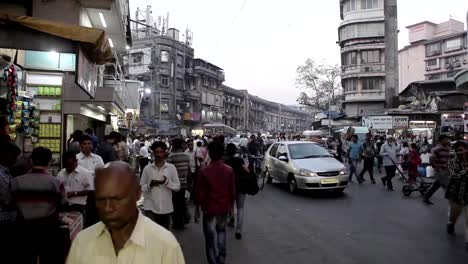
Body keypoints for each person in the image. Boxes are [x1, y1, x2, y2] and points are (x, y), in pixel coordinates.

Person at [66, 162, 185, 263]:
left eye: (117, 199)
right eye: (101, 199)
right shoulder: (82, 242)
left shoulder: (165, 245)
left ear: (137, 194)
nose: (108, 208)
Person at [11, 147, 67, 264]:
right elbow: (63, 203)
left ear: (31, 161)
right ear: (50, 161)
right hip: (48, 229)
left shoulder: (16, 182)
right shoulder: (56, 183)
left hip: (22, 230)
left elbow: (9, 202)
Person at [196, 141, 236, 264]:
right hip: (223, 207)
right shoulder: (229, 170)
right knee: (221, 231)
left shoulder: (204, 171)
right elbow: (232, 192)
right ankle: (221, 258)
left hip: (209, 208)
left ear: (210, 153)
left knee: (209, 237)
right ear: (221, 154)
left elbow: (200, 193)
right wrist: (231, 209)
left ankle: (213, 261)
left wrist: (197, 209)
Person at [140, 141, 180, 229]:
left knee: (164, 237)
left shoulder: (171, 168)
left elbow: (177, 187)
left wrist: (166, 182)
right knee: (152, 236)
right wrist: (150, 185)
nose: (159, 155)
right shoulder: (147, 169)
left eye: (161, 152)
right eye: (157, 152)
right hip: (150, 207)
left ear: (165, 152)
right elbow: (141, 187)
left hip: (166, 207)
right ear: (153, 153)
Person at [225, 143, 251, 240]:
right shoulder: (240, 160)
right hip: (241, 186)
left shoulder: (226, 162)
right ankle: (238, 230)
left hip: (230, 187)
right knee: (240, 208)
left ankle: (231, 217)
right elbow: (247, 171)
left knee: (231, 205)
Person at [445, 141, 468, 251]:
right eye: (459, 150)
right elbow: (453, 175)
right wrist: (465, 171)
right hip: (456, 193)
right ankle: (451, 223)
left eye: (463, 149)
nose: (461, 152)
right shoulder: (452, 162)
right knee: (454, 215)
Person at [0, 141, 20, 263]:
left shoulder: (7, 173)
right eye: (14, 157)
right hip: (3, 220)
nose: (15, 160)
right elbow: (8, 199)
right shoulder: (1, 175)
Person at [167, 138, 192, 229]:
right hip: (184, 183)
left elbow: (168, 171)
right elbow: (189, 171)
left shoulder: (170, 157)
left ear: (173, 146)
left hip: (174, 184)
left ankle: (176, 222)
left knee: (174, 203)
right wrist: (189, 184)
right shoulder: (186, 157)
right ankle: (181, 222)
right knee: (181, 203)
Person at [424, 135, 451, 205]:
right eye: (445, 139)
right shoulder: (436, 149)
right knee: (447, 185)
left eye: (447, 139)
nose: (447, 141)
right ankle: (452, 201)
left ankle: (426, 197)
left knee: (437, 185)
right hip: (440, 171)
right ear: (441, 141)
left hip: (445, 170)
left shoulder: (447, 148)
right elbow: (431, 159)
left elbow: (447, 159)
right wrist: (437, 168)